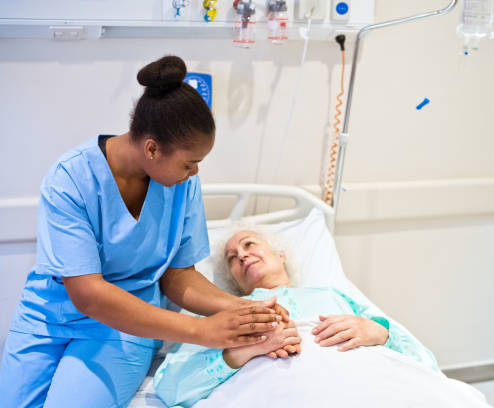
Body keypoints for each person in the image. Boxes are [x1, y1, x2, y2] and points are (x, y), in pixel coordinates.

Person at [0, 56, 299, 408]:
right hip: (48, 316)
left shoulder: (181, 185)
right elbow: (87, 294)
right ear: (152, 149)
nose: (194, 173)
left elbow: (178, 277)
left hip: (126, 325)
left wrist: (244, 310)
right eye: (189, 163)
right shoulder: (71, 179)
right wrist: (200, 331)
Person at [153, 227, 438, 407]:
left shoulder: (334, 295)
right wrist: (244, 351)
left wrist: (378, 333)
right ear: (234, 282)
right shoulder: (223, 314)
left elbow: (424, 362)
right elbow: (171, 387)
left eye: (249, 244)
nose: (241, 255)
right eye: (232, 258)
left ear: (281, 255)